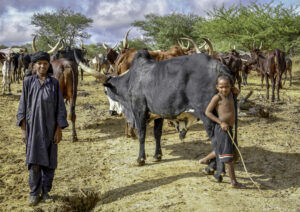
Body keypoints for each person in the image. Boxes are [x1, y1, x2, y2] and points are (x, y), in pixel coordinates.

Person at [16, 51, 68, 206]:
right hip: (33, 129)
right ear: (34, 65)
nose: (42, 66)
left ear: (48, 65)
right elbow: (22, 107)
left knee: (50, 161)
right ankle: (33, 193)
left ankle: (46, 192)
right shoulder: (28, 82)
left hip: (50, 128)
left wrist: (58, 129)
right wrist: (24, 130)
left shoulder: (54, 83)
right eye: (39, 63)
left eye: (45, 63)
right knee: (34, 161)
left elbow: (60, 107)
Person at [203, 74, 244, 189]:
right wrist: (220, 122)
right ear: (217, 87)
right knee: (228, 157)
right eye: (221, 87)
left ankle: (205, 159)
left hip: (230, 128)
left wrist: (237, 91)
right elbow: (208, 112)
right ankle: (234, 182)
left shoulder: (232, 94)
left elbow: (236, 93)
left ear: (231, 86)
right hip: (222, 129)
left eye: (227, 86)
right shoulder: (217, 98)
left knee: (224, 150)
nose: (224, 89)